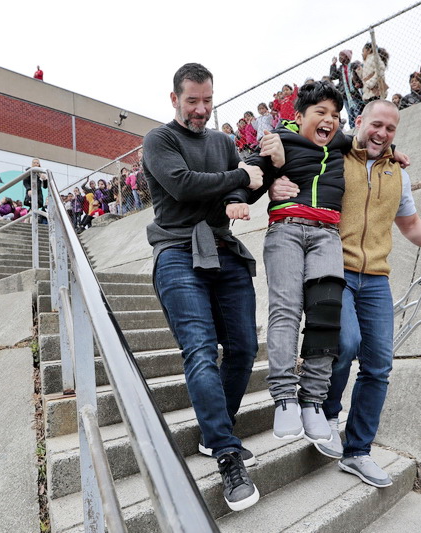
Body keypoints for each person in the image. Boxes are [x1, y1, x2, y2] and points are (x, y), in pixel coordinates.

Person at [267, 100, 421, 489]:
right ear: (359, 123)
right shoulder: (336, 153)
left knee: (379, 366)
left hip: (375, 278)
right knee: (346, 341)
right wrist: (274, 184)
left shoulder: (397, 174)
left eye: (390, 129)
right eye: (376, 125)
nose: (382, 134)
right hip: (334, 265)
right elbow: (301, 156)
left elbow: (409, 224)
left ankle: (358, 452)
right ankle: (325, 408)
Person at [141, 62, 264, 512]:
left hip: (224, 248)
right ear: (174, 99)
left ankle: (218, 432)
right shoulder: (160, 139)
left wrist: (248, 188)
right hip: (177, 252)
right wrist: (240, 178)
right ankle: (228, 456)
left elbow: (246, 189)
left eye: (208, 100)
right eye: (192, 101)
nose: (201, 109)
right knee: (199, 349)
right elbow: (182, 186)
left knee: (246, 347)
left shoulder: (223, 141)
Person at [223, 81, 352, 445]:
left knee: (326, 313)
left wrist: (393, 154)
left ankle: (312, 400)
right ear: (298, 117)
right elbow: (252, 172)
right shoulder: (279, 139)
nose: (329, 121)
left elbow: (369, 141)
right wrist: (237, 199)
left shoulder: (339, 142)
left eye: (335, 116)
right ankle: (283, 397)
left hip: (327, 233)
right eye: (321, 114)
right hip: (287, 230)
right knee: (286, 310)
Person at [330, 50, 363, 129]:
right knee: (350, 112)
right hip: (345, 94)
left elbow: (360, 75)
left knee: (357, 110)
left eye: (342, 55)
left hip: (355, 93)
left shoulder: (353, 66)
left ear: (347, 57)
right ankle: (352, 128)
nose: (340, 57)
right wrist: (333, 64)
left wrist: (359, 83)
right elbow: (332, 76)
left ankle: (361, 126)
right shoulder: (340, 69)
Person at [23, 158, 49, 222]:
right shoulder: (29, 171)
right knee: (33, 207)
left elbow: (45, 186)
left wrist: (45, 180)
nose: (35, 164)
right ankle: (30, 222)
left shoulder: (41, 173)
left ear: (39, 164)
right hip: (31, 192)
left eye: (37, 163)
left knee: (33, 208)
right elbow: (25, 182)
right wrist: (29, 189)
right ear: (32, 164)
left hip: (38, 193)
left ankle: (29, 222)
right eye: (34, 163)